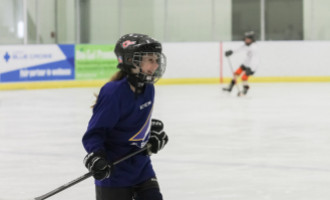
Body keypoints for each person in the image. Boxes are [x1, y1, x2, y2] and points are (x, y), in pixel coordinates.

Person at [82, 33, 169, 200]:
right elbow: (95, 133)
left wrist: (151, 137)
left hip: (141, 168)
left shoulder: (149, 89)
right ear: (131, 60)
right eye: (150, 59)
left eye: (156, 59)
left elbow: (135, 125)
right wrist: (96, 157)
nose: (156, 64)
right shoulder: (114, 92)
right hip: (114, 174)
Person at [223, 31, 259, 96]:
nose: (245, 40)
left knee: (244, 78)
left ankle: (245, 90)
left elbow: (255, 59)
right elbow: (239, 48)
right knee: (236, 73)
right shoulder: (247, 45)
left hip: (252, 66)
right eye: (245, 38)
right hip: (246, 63)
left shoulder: (254, 47)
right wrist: (231, 52)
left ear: (252, 39)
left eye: (247, 39)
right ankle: (230, 87)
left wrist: (251, 68)